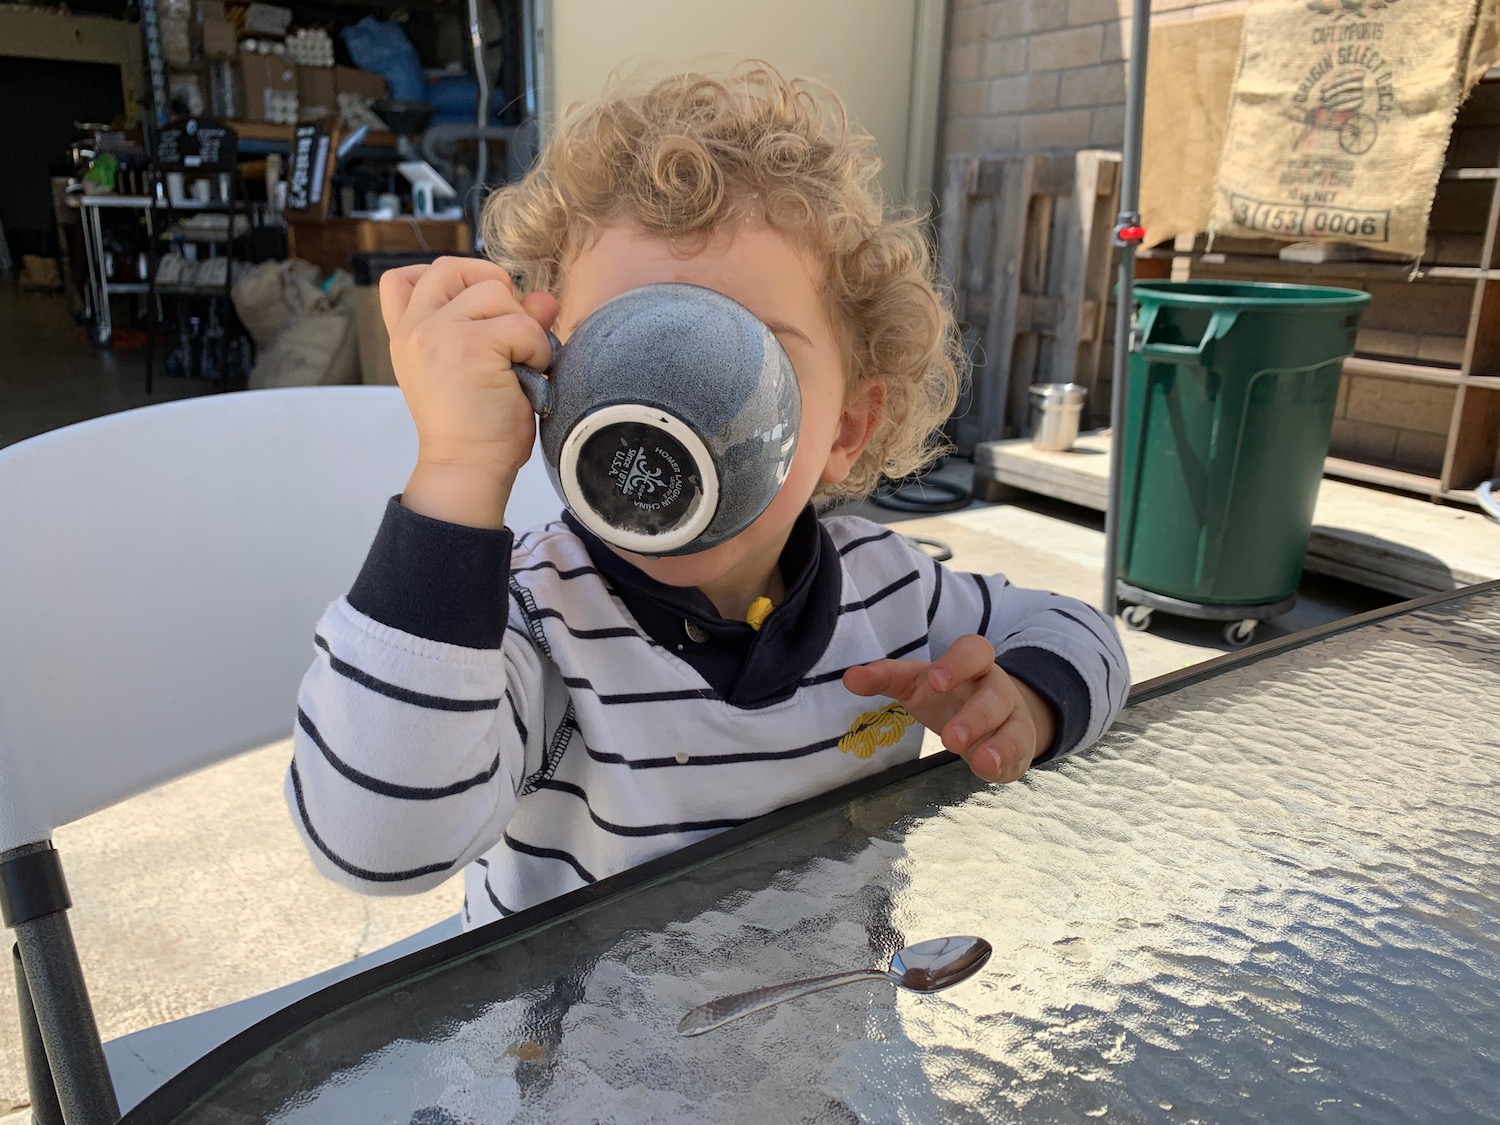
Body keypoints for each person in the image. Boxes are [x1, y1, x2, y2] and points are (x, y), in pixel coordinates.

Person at [288, 65, 1130, 926]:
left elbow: (1082, 635)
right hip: (580, 1060)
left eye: (754, 361)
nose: (677, 411)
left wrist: (1025, 700)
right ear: (546, 384)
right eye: (624, 349)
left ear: (845, 426)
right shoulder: (535, 630)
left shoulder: (894, 594)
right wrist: (460, 470)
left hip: (821, 1043)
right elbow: (373, 840)